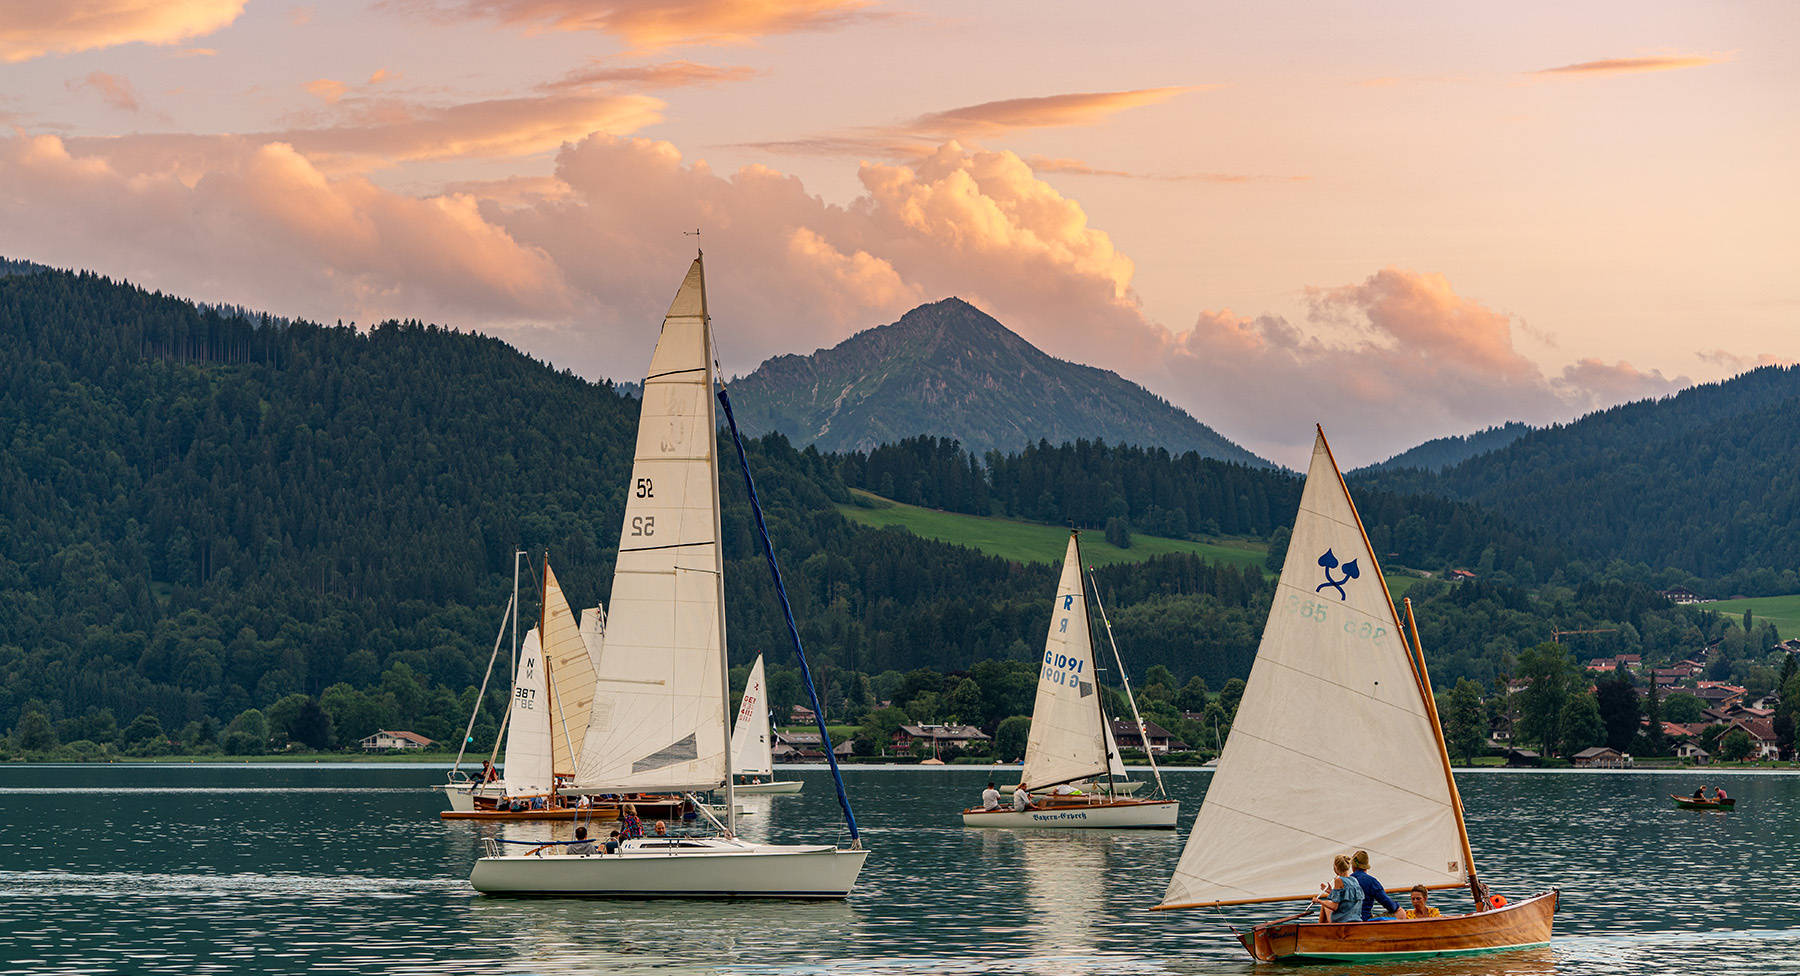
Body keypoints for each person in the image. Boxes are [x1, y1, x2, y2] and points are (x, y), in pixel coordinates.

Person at [1311, 854, 1365, 923]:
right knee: (1326, 903)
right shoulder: (1354, 880)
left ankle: (1319, 930)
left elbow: (1334, 907)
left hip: (1342, 920)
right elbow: (1346, 898)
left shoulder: (1338, 880)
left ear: (1336, 867)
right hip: (1356, 919)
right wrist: (1331, 892)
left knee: (1325, 904)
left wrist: (1319, 901)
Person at [1350, 850, 1399, 920]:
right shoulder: (1371, 881)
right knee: (1399, 912)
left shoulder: (1345, 881)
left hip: (1347, 920)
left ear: (1353, 866)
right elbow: (1389, 905)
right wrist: (1397, 906)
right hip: (1364, 920)